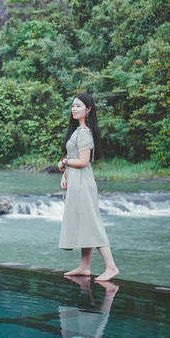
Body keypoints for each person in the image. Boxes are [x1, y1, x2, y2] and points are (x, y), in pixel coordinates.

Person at [57, 93, 119, 281]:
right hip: (76, 181)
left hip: (83, 182)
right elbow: (74, 157)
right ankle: (85, 266)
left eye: (78, 106)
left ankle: (111, 266)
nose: (74, 109)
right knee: (84, 223)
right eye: (73, 106)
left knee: (92, 223)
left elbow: (83, 161)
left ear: (88, 109)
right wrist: (65, 171)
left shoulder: (84, 132)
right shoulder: (77, 131)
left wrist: (66, 161)